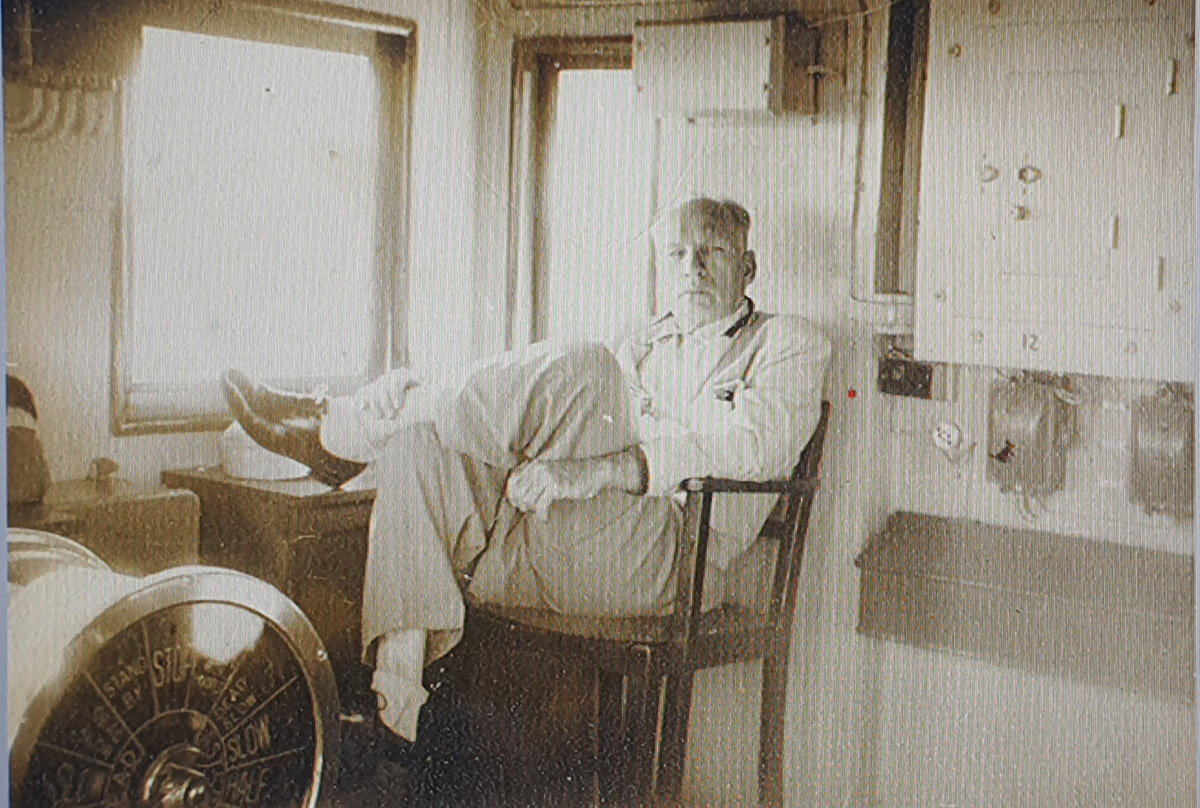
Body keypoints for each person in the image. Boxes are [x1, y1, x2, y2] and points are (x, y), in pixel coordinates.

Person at [224, 197, 830, 742]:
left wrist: (600, 472)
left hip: (673, 561)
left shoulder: (789, 342)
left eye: (712, 251)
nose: (692, 267)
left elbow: (754, 447)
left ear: (747, 267)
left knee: (587, 366)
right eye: (676, 253)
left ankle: (343, 432)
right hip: (563, 549)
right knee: (418, 442)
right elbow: (542, 417)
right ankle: (398, 692)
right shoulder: (640, 338)